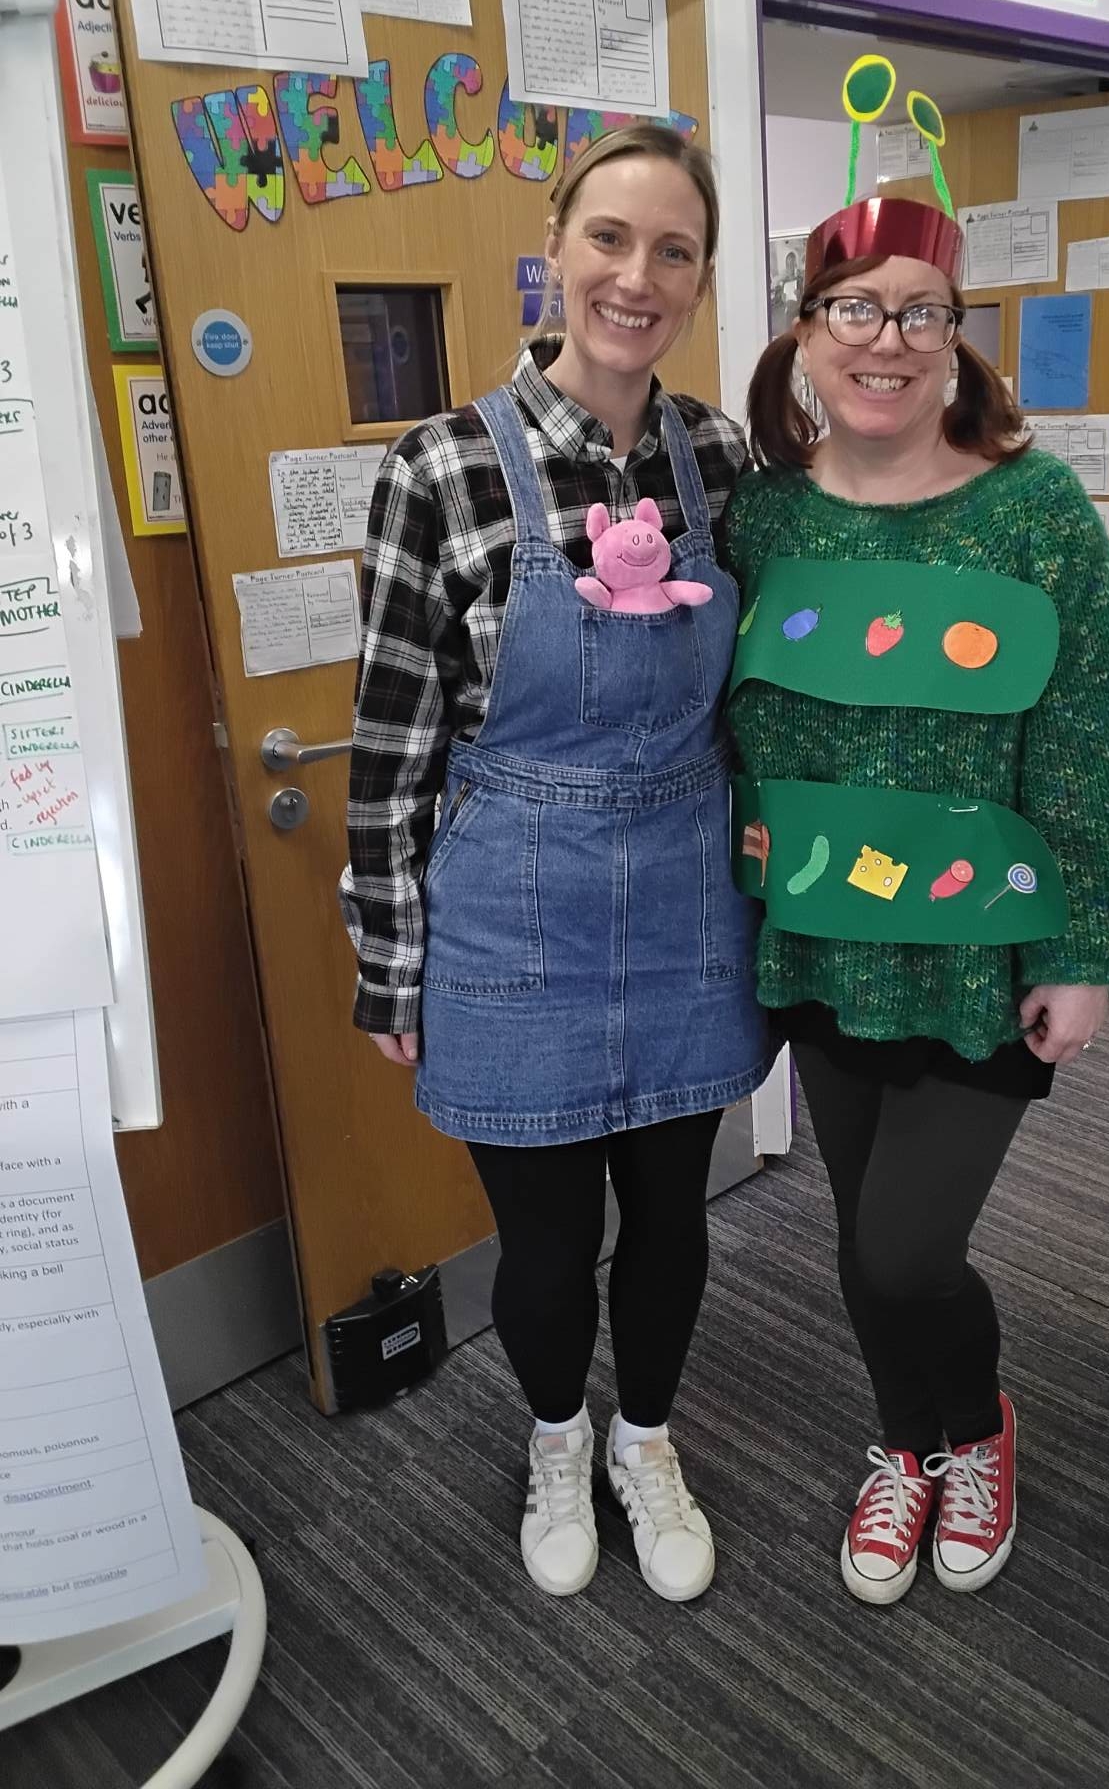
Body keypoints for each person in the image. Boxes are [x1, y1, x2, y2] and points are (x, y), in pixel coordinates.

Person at [725, 195, 1109, 1605]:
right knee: (866, 1243)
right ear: (809, 330)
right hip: (826, 936)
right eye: (855, 308)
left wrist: (1084, 948)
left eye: (920, 311)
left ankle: (975, 1432)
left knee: (903, 1247)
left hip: (982, 950)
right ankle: (906, 1444)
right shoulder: (764, 514)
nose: (888, 340)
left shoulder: (1031, 508)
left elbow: (1092, 733)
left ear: (954, 336)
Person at [341, 125, 771, 1604]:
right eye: (609, 238)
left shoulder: (721, 458)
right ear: (556, 245)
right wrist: (388, 959)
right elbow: (392, 738)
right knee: (541, 1241)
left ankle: (643, 1440)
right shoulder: (444, 463)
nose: (635, 277)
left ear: (700, 278)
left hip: (687, 901)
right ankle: (555, 1437)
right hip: (509, 911)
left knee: (670, 1216)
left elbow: (761, 697)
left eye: (672, 251)